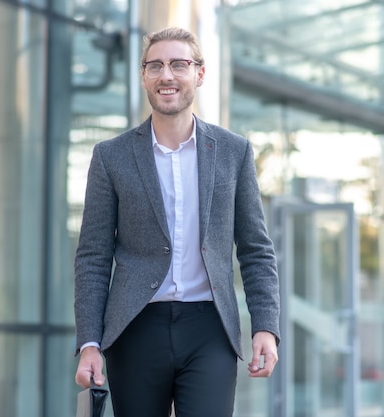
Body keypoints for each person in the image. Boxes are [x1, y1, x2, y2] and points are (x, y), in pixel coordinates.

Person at [74, 26, 280, 417]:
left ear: (199, 74)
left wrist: (265, 326)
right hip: (135, 328)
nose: (166, 75)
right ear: (143, 76)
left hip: (210, 329)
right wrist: (89, 342)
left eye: (178, 64)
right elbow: (93, 257)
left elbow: (255, 250)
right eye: (156, 66)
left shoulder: (233, 151)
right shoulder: (110, 156)